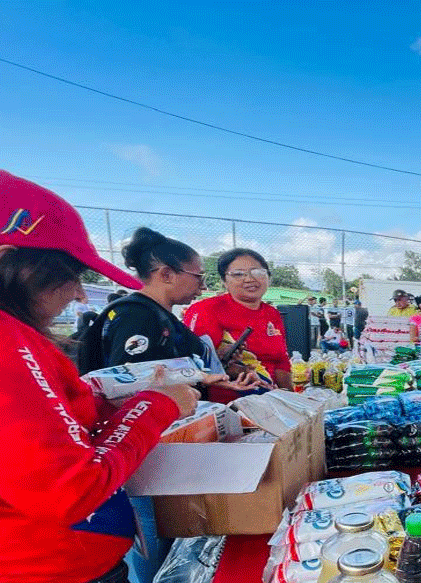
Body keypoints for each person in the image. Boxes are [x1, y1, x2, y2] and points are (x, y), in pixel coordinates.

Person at [0, 167, 199, 583]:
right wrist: (159, 405)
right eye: (70, 276)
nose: (79, 294)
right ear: (4, 263)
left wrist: (94, 405)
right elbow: (68, 489)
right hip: (38, 566)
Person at [79, 227, 259, 583]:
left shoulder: (161, 315)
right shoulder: (136, 317)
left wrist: (213, 376)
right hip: (142, 453)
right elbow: (125, 385)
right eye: (198, 277)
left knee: (170, 539)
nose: (203, 287)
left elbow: (165, 372)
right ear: (166, 274)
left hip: (166, 445)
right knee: (153, 542)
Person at [183, 248, 291, 388]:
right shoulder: (205, 309)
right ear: (224, 281)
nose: (250, 279)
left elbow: (281, 362)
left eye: (257, 272)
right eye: (238, 274)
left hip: (271, 395)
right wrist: (232, 365)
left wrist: (288, 396)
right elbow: (194, 363)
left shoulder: (272, 313)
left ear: (268, 277)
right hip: (230, 397)